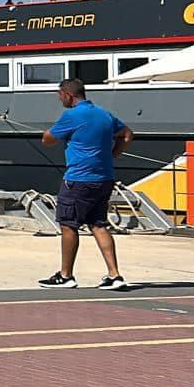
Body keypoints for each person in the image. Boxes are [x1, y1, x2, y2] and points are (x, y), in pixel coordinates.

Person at [40, 78, 133, 291]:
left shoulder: (72, 116)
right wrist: (113, 155)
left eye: (59, 95)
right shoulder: (104, 114)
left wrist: (51, 132)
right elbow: (127, 134)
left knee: (68, 224)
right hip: (104, 179)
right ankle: (114, 275)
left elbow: (48, 139)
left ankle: (66, 275)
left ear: (68, 95)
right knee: (98, 224)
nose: (59, 99)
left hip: (78, 180)